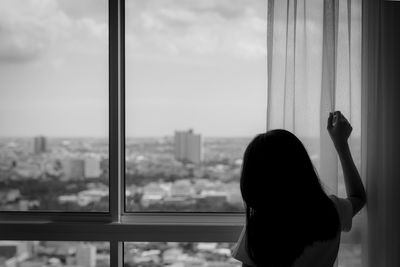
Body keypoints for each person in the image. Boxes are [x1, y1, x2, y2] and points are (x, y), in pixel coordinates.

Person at [232, 111, 366, 267]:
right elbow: (358, 197)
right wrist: (341, 144)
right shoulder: (331, 210)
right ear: (303, 168)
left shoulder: (261, 226)